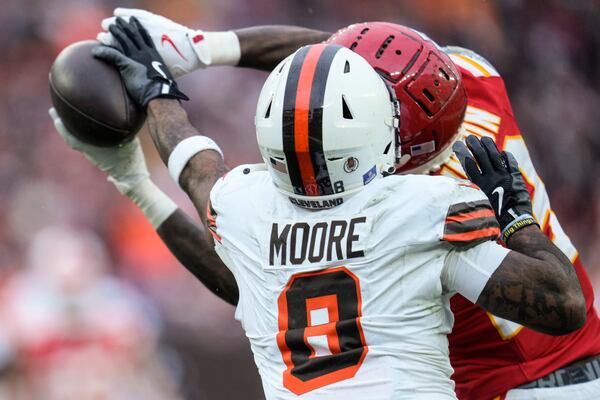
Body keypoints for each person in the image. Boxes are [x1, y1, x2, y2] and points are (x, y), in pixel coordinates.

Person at [52, 16, 587, 399]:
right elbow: (353, 59)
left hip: (499, 383)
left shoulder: (279, 203)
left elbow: (212, 203)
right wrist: (202, 47)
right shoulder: (468, 86)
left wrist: (152, 119)